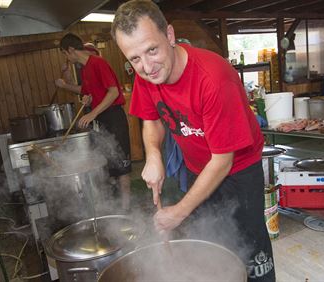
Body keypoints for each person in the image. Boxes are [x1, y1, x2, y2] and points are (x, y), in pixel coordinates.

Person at [112, 1, 275, 281]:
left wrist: (178, 212)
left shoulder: (213, 78)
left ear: (170, 36)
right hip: (197, 166)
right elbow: (151, 119)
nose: (147, 66)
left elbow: (223, 160)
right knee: (210, 243)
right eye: (134, 59)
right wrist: (153, 154)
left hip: (238, 171)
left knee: (252, 250)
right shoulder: (147, 76)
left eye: (152, 50)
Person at [55, 33, 132, 211]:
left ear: (71, 50)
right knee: (106, 162)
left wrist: (93, 113)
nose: (66, 58)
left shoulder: (98, 63)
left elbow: (113, 92)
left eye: (65, 54)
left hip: (113, 117)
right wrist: (88, 101)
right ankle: (113, 206)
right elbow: (86, 91)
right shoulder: (84, 68)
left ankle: (126, 208)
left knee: (121, 163)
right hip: (101, 120)